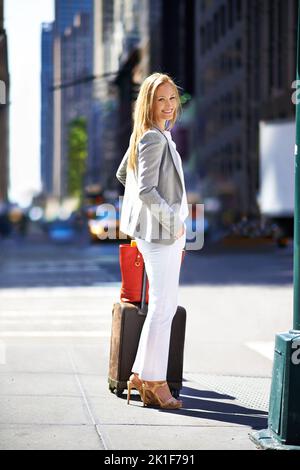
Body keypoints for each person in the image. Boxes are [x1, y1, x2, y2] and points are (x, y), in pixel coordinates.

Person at [116, 72, 189, 409]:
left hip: (157, 233)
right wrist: (173, 222)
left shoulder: (149, 136)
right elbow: (145, 190)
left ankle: (140, 376)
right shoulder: (153, 139)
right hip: (160, 234)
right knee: (163, 306)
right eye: (161, 99)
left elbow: (124, 175)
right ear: (148, 103)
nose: (168, 105)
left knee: (164, 306)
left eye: (172, 98)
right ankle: (155, 381)